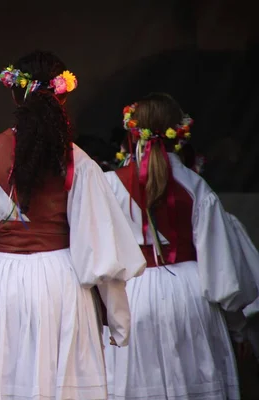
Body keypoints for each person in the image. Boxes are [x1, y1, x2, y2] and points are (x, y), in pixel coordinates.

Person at [0, 50, 146, 399]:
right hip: (62, 280)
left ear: (15, 95)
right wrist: (119, 322)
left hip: (4, 282)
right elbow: (100, 249)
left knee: (6, 380)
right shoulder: (79, 161)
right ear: (62, 95)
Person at [102, 93, 258, 399]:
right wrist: (238, 328)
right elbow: (222, 271)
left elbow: (98, 253)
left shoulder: (109, 184)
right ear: (179, 131)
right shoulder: (196, 185)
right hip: (190, 296)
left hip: (131, 296)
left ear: (132, 131)